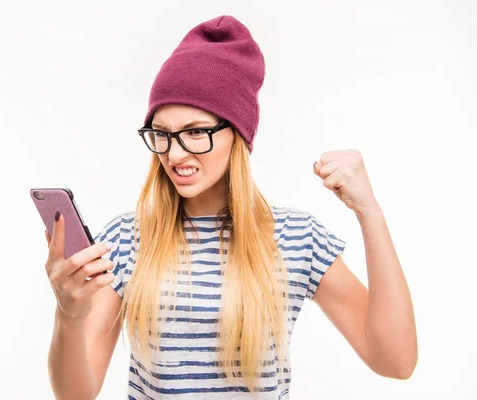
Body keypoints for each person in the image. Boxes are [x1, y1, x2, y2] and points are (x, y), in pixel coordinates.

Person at [44, 15, 418, 400]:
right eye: (162, 133)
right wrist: (69, 313)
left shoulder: (296, 238)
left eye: (195, 131)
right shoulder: (125, 239)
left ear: (237, 134)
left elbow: (395, 362)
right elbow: (76, 395)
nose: (174, 154)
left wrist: (369, 212)